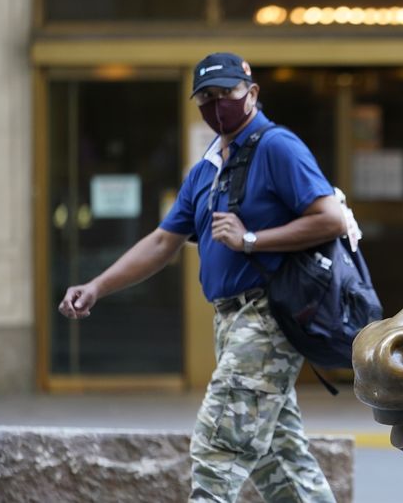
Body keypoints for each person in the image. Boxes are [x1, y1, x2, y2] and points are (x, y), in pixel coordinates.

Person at [58, 52, 341, 503]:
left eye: (225, 93)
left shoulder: (277, 147)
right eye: (205, 97)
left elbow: (332, 219)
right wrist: (97, 286)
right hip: (229, 322)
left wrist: (251, 239)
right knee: (280, 460)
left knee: (218, 446)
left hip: (266, 317)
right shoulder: (207, 169)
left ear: (251, 93)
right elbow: (161, 243)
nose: (215, 105)